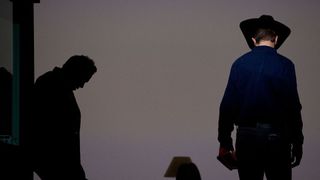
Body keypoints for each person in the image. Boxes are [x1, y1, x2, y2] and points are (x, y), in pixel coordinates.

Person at [217, 15, 303, 180]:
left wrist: (225, 142)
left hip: (247, 139)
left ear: (253, 40)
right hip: (278, 139)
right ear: (276, 39)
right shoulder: (286, 65)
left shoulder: (239, 64)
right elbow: (293, 107)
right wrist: (297, 143)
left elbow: (227, 106)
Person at [31, 55, 97, 180]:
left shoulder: (55, 85)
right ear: (76, 72)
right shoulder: (50, 85)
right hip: (56, 162)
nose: (82, 85)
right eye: (84, 79)